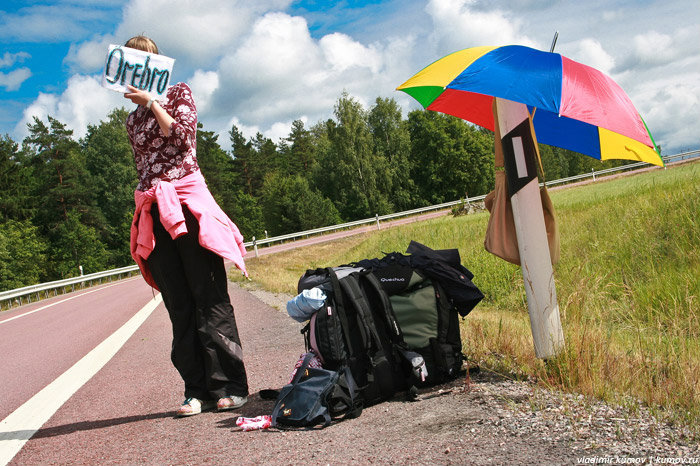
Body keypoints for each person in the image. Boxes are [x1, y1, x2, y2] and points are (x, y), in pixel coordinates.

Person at [123, 35, 249, 417]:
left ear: (157, 64)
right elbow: (143, 165)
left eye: (145, 60)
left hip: (188, 206)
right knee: (178, 302)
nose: (138, 67)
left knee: (208, 295)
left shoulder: (179, 93)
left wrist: (154, 104)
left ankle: (229, 385)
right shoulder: (131, 120)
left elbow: (182, 139)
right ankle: (195, 390)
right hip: (154, 211)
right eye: (131, 61)